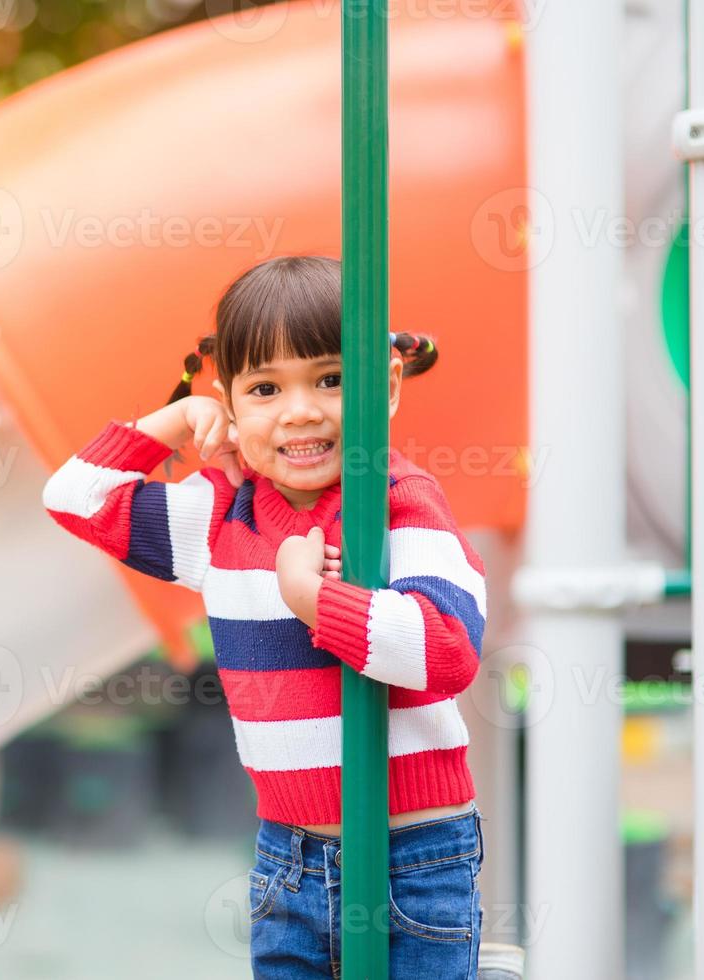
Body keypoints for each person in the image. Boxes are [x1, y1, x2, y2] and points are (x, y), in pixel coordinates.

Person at [41, 255, 488, 978]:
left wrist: (316, 602)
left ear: (390, 384)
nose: (301, 410)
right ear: (232, 404)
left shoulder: (399, 502)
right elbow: (74, 499)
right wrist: (177, 418)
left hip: (414, 855)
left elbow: (447, 651)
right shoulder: (222, 517)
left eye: (332, 379)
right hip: (289, 856)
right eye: (265, 389)